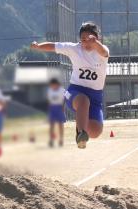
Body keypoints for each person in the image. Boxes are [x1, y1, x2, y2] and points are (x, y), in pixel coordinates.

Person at [31, 21, 109, 149]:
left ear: (97, 39)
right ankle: (80, 135)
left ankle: (83, 128)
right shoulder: (74, 49)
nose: (86, 43)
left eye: (90, 39)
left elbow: (105, 51)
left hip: (96, 96)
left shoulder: (101, 52)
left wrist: (95, 44)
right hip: (76, 92)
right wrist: (39, 46)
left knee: (95, 132)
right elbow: (54, 46)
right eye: (83, 39)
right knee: (84, 101)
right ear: (79, 40)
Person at [47, 78, 66, 147]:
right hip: (52, 108)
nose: (52, 86)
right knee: (52, 125)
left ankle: (61, 139)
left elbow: (64, 99)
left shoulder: (62, 90)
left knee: (60, 125)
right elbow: (48, 100)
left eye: (53, 85)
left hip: (59, 108)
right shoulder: (49, 90)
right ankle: (51, 140)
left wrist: (63, 107)